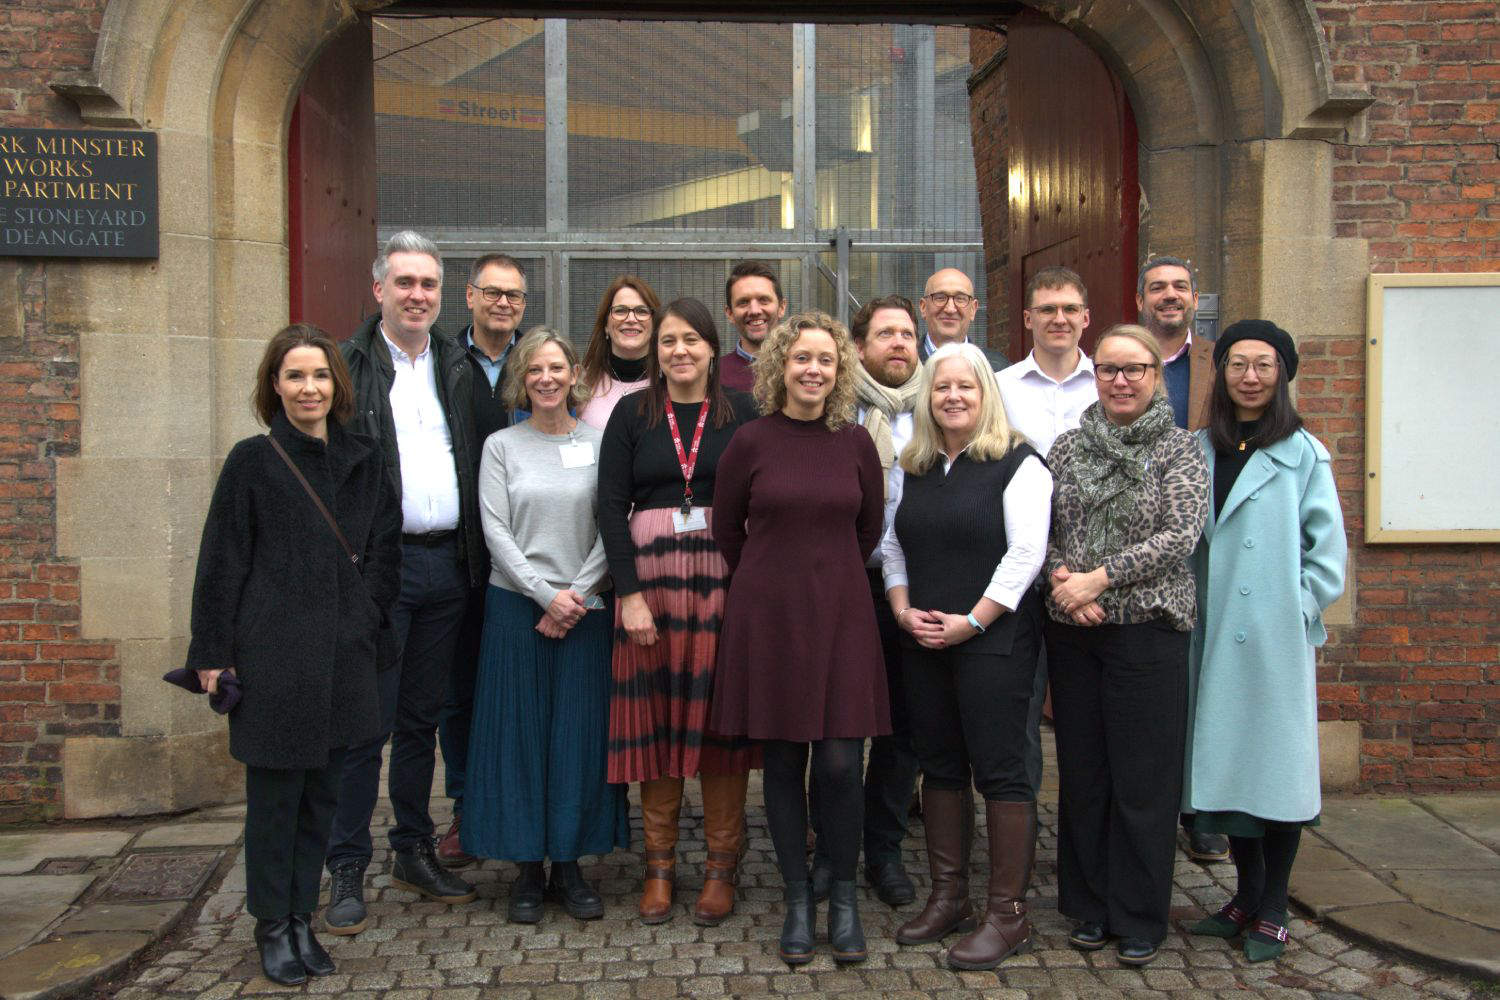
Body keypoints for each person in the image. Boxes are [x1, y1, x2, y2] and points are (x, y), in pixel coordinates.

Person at [186, 324, 401, 984]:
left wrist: (362, 621)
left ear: (337, 385)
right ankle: (271, 924)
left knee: (323, 802)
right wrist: (212, 651)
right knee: (276, 802)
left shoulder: (364, 459)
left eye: (320, 376)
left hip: (345, 657)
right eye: (295, 376)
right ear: (274, 387)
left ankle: (304, 917)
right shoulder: (253, 462)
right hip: (274, 656)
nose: (309, 388)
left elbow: (385, 552)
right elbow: (222, 561)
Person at [710, 312, 887, 966]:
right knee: (783, 761)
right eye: (801, 358)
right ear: (779, 365)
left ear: (840, 371)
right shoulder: (750, 440)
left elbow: (868, 529)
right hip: (770, 616)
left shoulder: (857, 443)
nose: (813, 370)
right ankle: (796, 899)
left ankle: (841, 895)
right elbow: (728, 529)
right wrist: (771, 578)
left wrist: (826, 570)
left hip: (841, 613)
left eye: (826, 360)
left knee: (842, 762)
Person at [325, 231, 485, 934]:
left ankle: (412, 850)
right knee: (365, 724)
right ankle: (344, 868)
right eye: (406, 283)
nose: (418, 295)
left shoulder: (458, 366)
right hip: (376, 573)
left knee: (422, 720)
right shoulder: (345, 367)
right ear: (379, 290)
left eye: (429, 285)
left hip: (448, 566)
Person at [883, 342, 1053, 970]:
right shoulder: (914, 465)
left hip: (996, 641)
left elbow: (1026, 555)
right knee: (941, 767)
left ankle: (1007, 915)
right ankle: (948, 896)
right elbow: (893, 546)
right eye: (941, 387)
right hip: (925, 638)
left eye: (966, 387)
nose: (953, 396)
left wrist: (973, 622)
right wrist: (902, 611)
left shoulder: (1019, 462)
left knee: (1002, 771)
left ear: (986, 394)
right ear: (927, 397)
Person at [1044, 323, 1209, 967]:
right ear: (1095, 375)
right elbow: (1045, 525)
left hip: (1148, 632)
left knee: (1143, 780)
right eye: (1109, 369)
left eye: (1134, 369)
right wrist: (1066, 583)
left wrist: (1100, 578)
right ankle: (1088, 905)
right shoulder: (1066, 448)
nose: (1120, 380)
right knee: (1084, 773)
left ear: (1155, 375)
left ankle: (1139, 914)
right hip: (1077, 633)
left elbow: (1180, 535)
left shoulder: (1178, 450)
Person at [1183, 320, 1346, 962]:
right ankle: (1244, 895)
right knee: (1227, 770)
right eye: (1237, 364)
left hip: (1273, 642)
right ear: (1220, 373)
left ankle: (1275, 906)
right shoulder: (1198, 449)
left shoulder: (1303, 452)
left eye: (1265, 365)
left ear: (1281, 376)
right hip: (1212, 632)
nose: (1250, 376)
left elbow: (1327, 554)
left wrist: (1295, 608)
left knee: (1273, 772)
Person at [597, 297, 760, 927]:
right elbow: (611, 506)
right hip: (651, 586)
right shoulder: (631, 414)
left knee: (720, 726)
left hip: (724, 584)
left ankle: (722, 866)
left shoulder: (743, 413)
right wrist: (628, 593)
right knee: (656, 722)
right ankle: (659, 866)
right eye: (668, 341)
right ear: (655, 351)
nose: (679, 351)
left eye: (691, 339)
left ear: (712, 347)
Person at [462, 327, 628, 923]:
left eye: (557, 367)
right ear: (521, 379)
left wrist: (576, 595)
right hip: (517, 611)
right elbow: (494, 530)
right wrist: (542, 595)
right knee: (520, 739)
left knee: (578, 741)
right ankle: (528, 869)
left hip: (586, 613)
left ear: (574, 376)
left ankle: (572, 864)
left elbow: (615, 523)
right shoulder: (501, 446)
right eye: (535, 369)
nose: (547, 378)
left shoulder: (602, 441)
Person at [809, 295, 923, 908]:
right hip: (843, 589)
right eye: (886, 334)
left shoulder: (939, 407)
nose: (899, 344)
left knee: (902, 731)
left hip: (913, 593)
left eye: (908, 333)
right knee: (837, 732)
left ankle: (883, 851)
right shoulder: (830, 413)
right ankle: (831, 850)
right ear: (858, 348)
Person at [1135, 254, 1227, 864]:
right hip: (1130, 545)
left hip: (1207, 541)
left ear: (1195, 297)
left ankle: (1199, 807)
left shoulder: (1223, 364)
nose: (1170, 296)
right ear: (1140, 298)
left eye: (1180, 287)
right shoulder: (1118, 361)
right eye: (1158, 288)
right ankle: (1148, 801)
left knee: (1202, 678)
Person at [438, 252, 529, 868]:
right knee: (460, 687)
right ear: (468, 297)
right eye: (492, 293)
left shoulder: (539, 361)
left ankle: (522, 800)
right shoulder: (442, 363)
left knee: (521, 684)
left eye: (514, 296)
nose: (502, 303)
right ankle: (468, 806)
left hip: (534, 554)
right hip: (457, 549)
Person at [997, 266, 1097, 800]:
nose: (1059, 319)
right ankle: (1023, 828)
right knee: (1021, 714)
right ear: (1029, 318)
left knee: (1088, 718)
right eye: (1047, 309)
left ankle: (1085, 840)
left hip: (1092, 577)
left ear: (1086, 318)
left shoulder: (1113, 384)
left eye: (1069, 309)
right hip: (1020, 572)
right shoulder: (1000, 389)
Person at [579, 276, 661, 430]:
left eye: (641, 311)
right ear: (606, 326)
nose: (631, 319)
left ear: (655, 324)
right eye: (620, 310)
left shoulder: (670, 384)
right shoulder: (581, 384)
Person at [917, 267, 1006, 371]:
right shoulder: (905, 364)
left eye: (960, 299)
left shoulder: (998, 369)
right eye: (940, 298)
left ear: (973, 309)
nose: (950, 309)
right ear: (923, 307)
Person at [718, 260, 788, 392]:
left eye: (764, 300)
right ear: (730, 313)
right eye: (743, 302)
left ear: (781, 307)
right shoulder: (715, 375)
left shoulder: (803, 370)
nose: (754, 310)